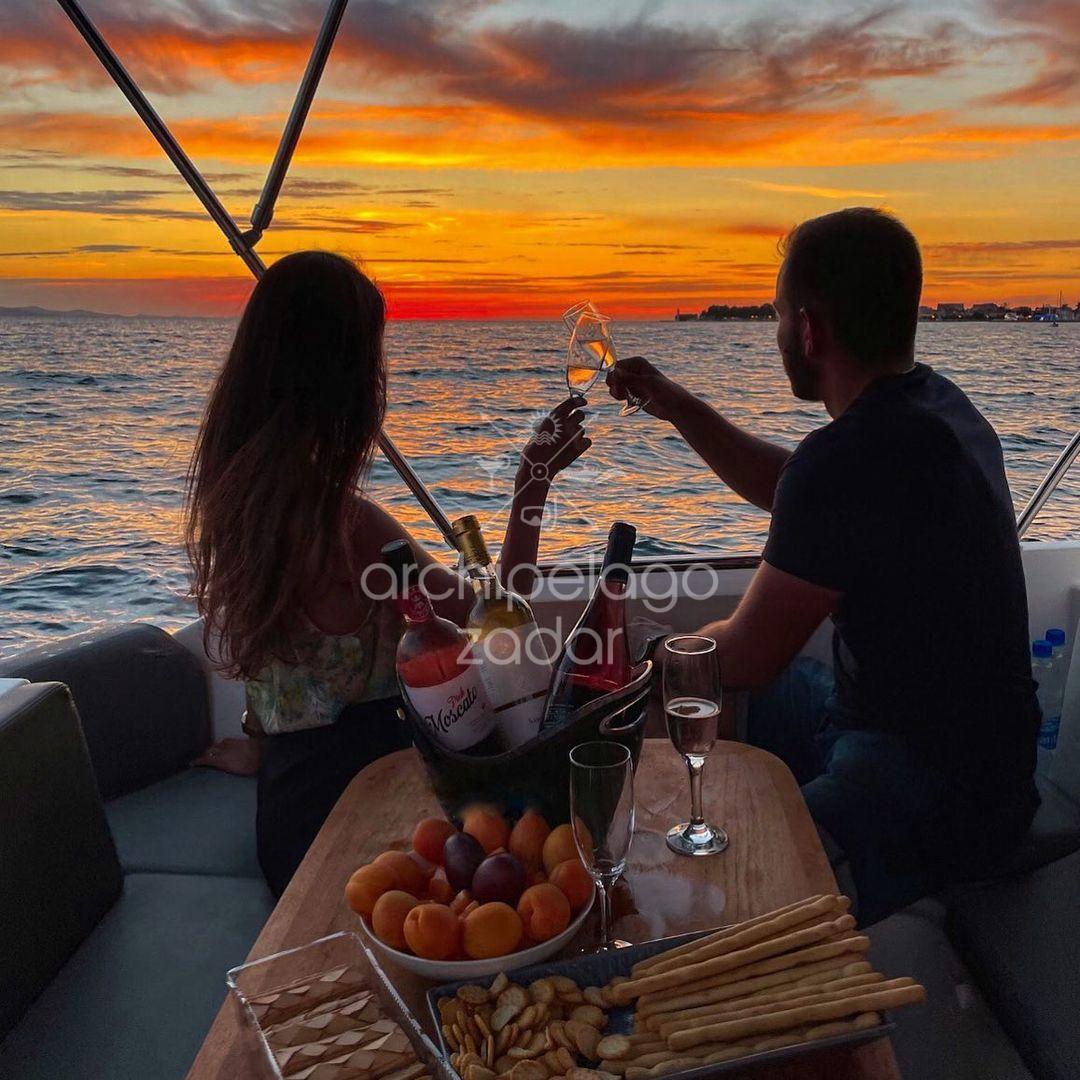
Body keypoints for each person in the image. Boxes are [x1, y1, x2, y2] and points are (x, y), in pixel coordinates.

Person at [608, 208, 1039, 924]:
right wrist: (677, 405)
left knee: (723, 891)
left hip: (935, 790)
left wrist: (650, 656)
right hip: (988, 762)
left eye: (778, 315)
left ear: (809, 329)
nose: (778, 333)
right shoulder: (940, 409)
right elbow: (796, 490)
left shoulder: (849, 460)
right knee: (738, 701)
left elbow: (744, 658)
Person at [186, 250, 589, 896]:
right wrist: (532, 485)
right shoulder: (352, 530)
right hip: (361, 818)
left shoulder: (235, 508)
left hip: (287, 808)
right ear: (341, 381)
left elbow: (279, 677)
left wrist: (260, 750)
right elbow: (493, 612)